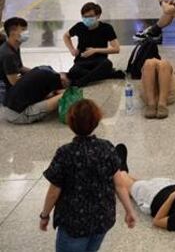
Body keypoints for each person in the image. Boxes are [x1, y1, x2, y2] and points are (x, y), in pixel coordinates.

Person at [40, 100, 137, 250]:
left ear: (70, 123)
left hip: (73, 223)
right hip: (102, 219)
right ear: (97, 121)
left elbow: (54, 191)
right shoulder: (107, 148)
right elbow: (119, 184)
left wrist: (45, 215)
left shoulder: (65, 153)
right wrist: (129, 211)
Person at [64, 2, 123, 87]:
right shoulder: (79, 26)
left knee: (107, 64)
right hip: (82, 60)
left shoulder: (106, 28)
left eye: (90, 16)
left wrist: (95, 50)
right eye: (85, 17)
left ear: (98, 16)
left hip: (99, 61)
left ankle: (82, 81)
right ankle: (107, 75)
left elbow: (116, 49)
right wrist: (72, 49)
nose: (87, 19)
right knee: (74, 71)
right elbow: (66, 36)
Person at [3, 65, 68, 124]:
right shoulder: (54, 79)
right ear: (63, 80)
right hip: (17, 115)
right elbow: (56, 99)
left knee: (53, 94)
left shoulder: (44, 70)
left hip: (8, 107)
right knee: (65, 94)